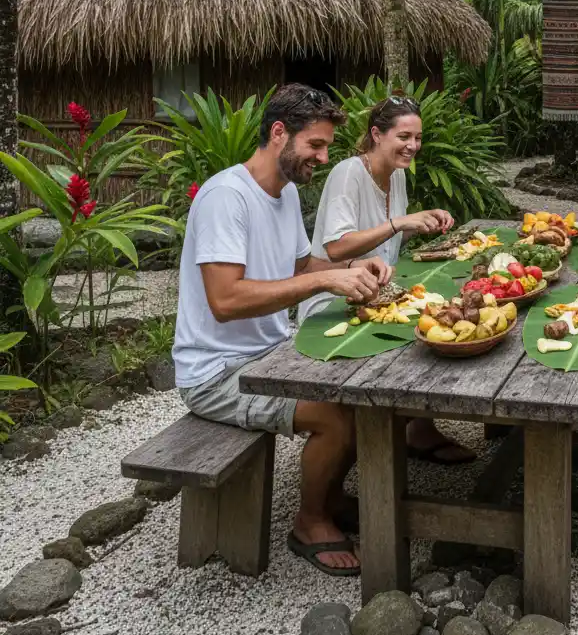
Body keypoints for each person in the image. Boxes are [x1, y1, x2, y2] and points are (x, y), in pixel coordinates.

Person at [173, 83, 394, 577]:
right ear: (278, 133)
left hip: (270, 351)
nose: (323, 158)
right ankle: (309, 522)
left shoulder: (286, 192)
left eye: (326, 147)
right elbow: (225, 301)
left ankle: (329, 494)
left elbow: (302, 267)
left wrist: (356, 266)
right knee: (336, 417)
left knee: (363, 388)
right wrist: (324, 281)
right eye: (315, 145)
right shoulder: (226, 198)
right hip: (216, 372)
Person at [299, 94, 475, 465]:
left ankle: (419, 428)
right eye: (404, 137)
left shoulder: (396, 175)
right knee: (427, 335)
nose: (413, 146)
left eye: (418, 138)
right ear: (377, 135)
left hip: (380, 294)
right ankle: (388, 442)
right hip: (335, 300)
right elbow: (336, 246)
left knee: (443, 314)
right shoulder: (348, 173)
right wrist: (400, 222)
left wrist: (421, 222)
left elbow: (386, 241)